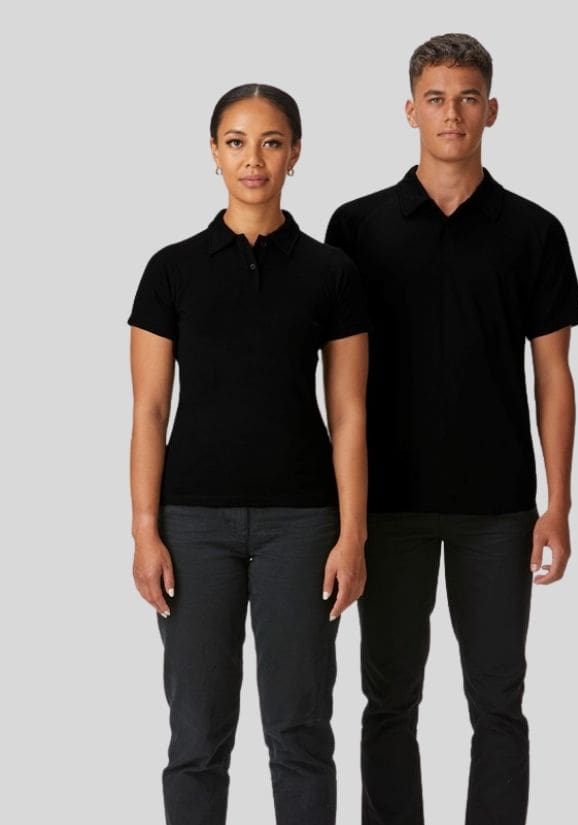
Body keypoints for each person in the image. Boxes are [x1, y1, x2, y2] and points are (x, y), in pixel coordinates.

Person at [325, 33, 578, 825]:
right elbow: (337, 384)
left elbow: (553, 375)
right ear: (410, 110)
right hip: (388, 505)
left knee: (498, 702)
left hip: (498, 507)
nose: (452, 114)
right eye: (436, 98)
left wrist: (558, 503)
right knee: (388, 700)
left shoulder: (533, 231)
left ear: (492, 110)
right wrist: (344, 515)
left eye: (468, 98)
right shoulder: (357, 228)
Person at [128, 83, 369, 825]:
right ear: (213, 152)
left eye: (270, 142)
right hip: (191, 524)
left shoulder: (331, 272)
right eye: (236, 142)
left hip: (304, 524)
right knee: (197, 736)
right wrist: (145, 530)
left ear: (295, 154)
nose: (253, 158)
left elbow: (350, 412)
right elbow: (149, 409)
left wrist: (352, 535)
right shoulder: (171, 270)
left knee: (300, 733)